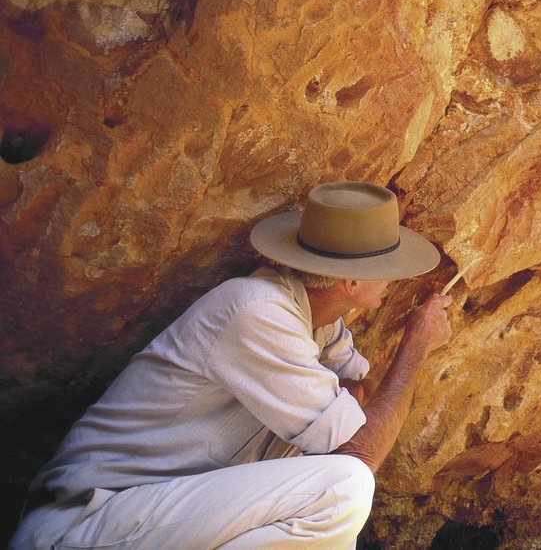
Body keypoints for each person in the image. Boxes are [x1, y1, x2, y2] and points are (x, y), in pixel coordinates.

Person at [11, 181, 452, 549]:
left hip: (157, 522)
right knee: (343, 487)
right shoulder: (256, 310)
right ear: (351, 281)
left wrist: (347, 415)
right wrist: (415, 346)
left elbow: (362, 401)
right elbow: (361, 450)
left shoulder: (321, 327)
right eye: (386, 267)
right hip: (86, 523)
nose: (395, 278)